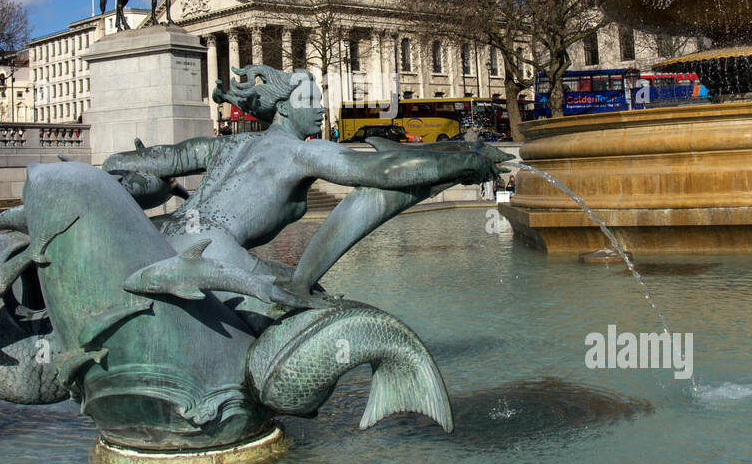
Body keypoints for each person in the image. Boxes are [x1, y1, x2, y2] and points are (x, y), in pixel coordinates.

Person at [103, 64, 508, 309]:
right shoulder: (303, 153)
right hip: (213, 253)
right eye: (309, 99)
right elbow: (382, 172)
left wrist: (124, 168)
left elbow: (157, 158)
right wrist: (464, 161)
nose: (319, 107)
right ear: (282, 106)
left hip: (162, 236)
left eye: (321, 98)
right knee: (311, 301)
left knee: (306, 289)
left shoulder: (227, 144)